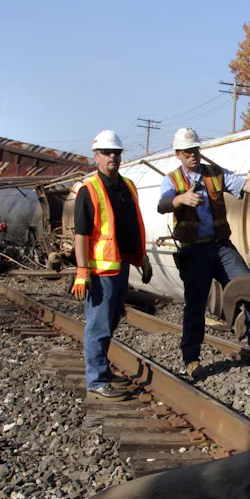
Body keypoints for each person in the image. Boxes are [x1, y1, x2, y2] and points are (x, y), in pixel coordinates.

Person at [157, 127, 250, 381]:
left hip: (221, 247)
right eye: (187, 152)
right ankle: (191, 359)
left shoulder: (215, 173)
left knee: (248, 288)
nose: (193, 155)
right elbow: (163, 204)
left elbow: (245, 185)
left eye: (196, 150)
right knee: (195, 306)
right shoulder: (172, 180)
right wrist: (181, 200)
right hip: (193, 250)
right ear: (178, 154)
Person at [71, 130, 153, 401]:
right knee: (99, 326)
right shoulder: (89, 190)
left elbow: (132, 227)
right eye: (107, 153)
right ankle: (96, 380)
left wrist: (142, 259)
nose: (112, 157)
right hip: (100, 272)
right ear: (96, 158)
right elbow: (80, 235)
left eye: (116, 152)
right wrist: (82, 273)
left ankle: (100, 369)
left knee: (112, 319)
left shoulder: (128, 186)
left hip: (122, 266)